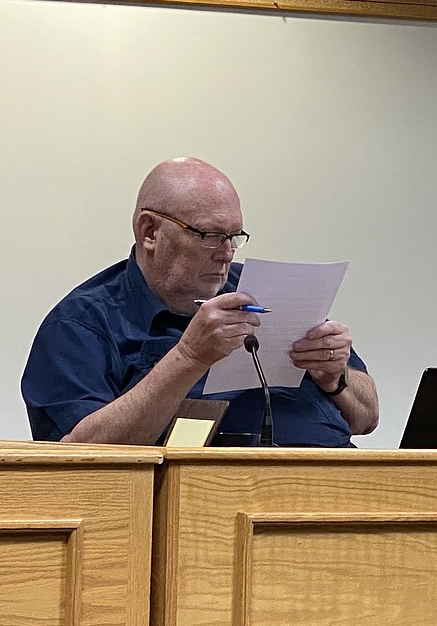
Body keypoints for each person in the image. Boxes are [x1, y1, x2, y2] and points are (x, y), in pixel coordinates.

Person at [21, 157, 379, 446]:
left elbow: (367, 418)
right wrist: (188, 357)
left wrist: (334, 377)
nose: (225, 254)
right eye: (209, 236)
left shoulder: (262, 290)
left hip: (337, 480)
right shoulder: (82, 324)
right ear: (150, 232)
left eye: (233, 237)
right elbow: (79, 458)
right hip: (205, 503)